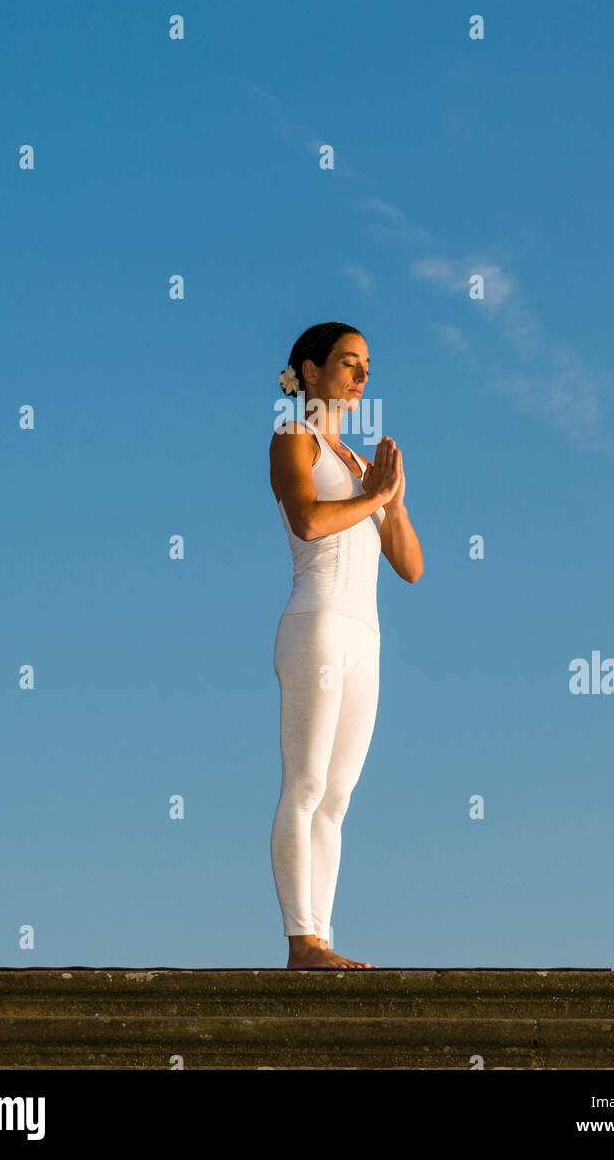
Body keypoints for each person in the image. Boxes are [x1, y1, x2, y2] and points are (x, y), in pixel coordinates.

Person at [269, 322, 423, 969]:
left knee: (337, 799)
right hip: (319, 621)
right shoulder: (292, 437)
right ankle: (300, 942)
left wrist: (394, 502)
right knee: (304, 785)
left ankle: (321, 939)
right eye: (346, 363)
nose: (361, 376)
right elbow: (307, 520)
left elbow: (410, 565)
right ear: (309, 372)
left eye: (366, 366)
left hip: (367, 637)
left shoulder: (364, 465)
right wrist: (371, 498)